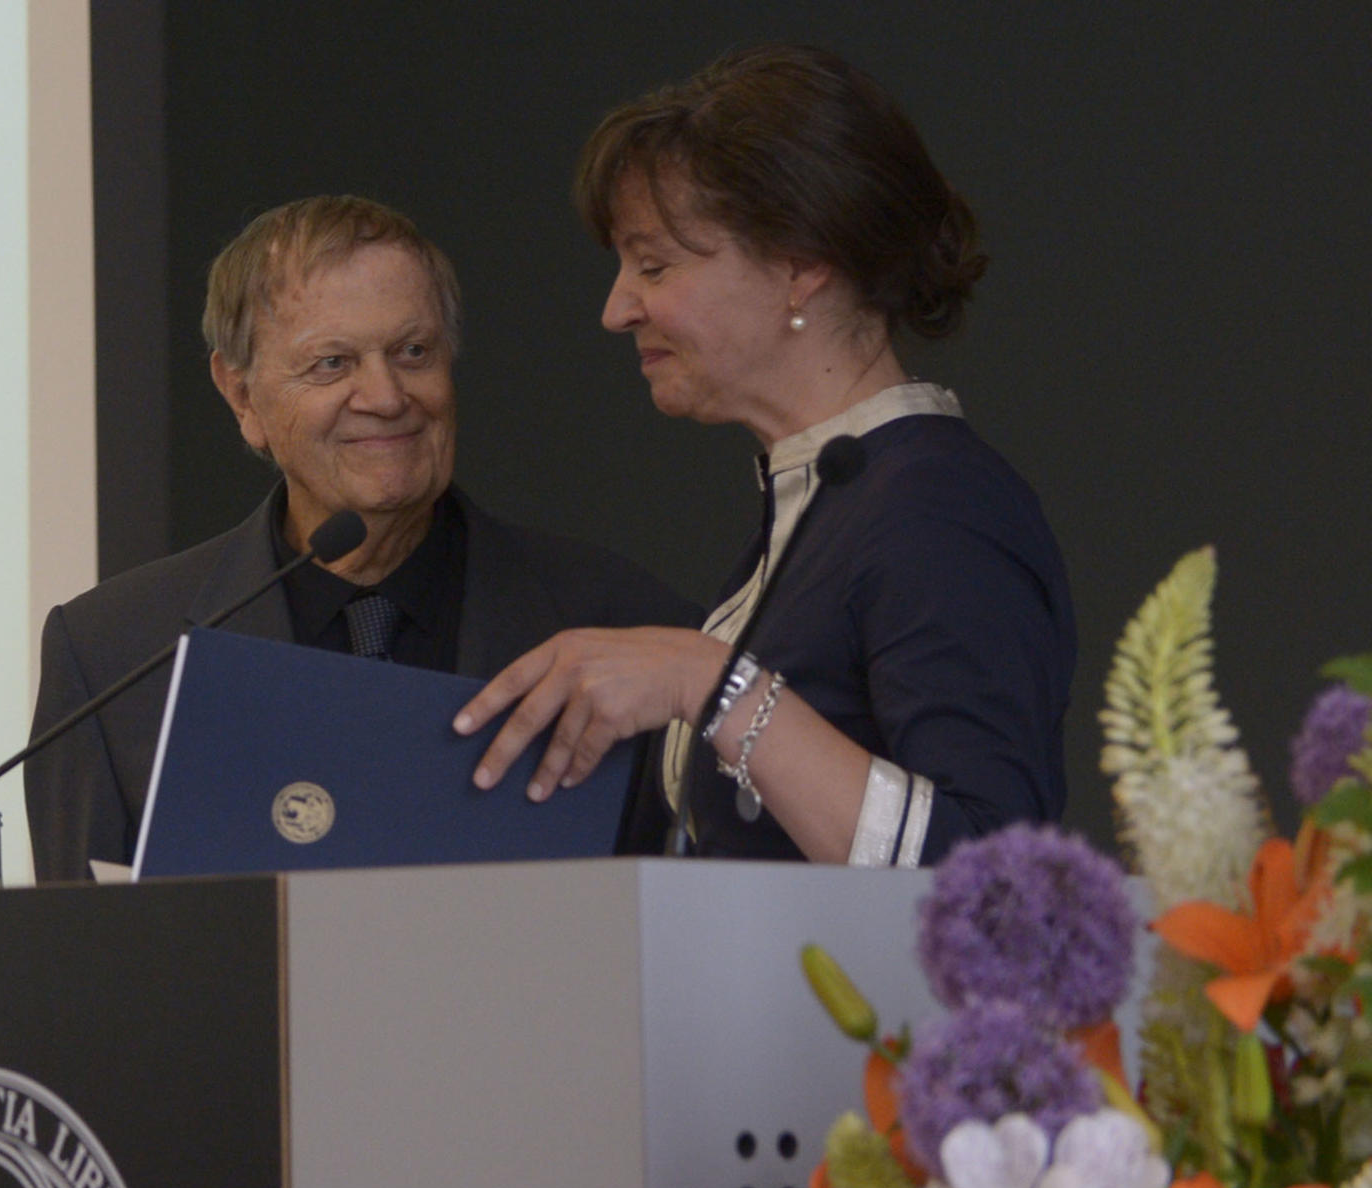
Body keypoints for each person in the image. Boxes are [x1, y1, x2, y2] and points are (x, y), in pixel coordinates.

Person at [455, 44, 1074, 867]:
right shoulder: (833, 498)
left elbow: (994, 879)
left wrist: (707, 679)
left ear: (800, 264)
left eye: (654, 265)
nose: (616, 309)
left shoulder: (938, 506)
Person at [25, 195, 699, 881]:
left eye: (413, 352)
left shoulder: (624, 627)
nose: (385, 396)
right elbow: (80, 943)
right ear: (241, 396)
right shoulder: (113, 659)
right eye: (331, 363)